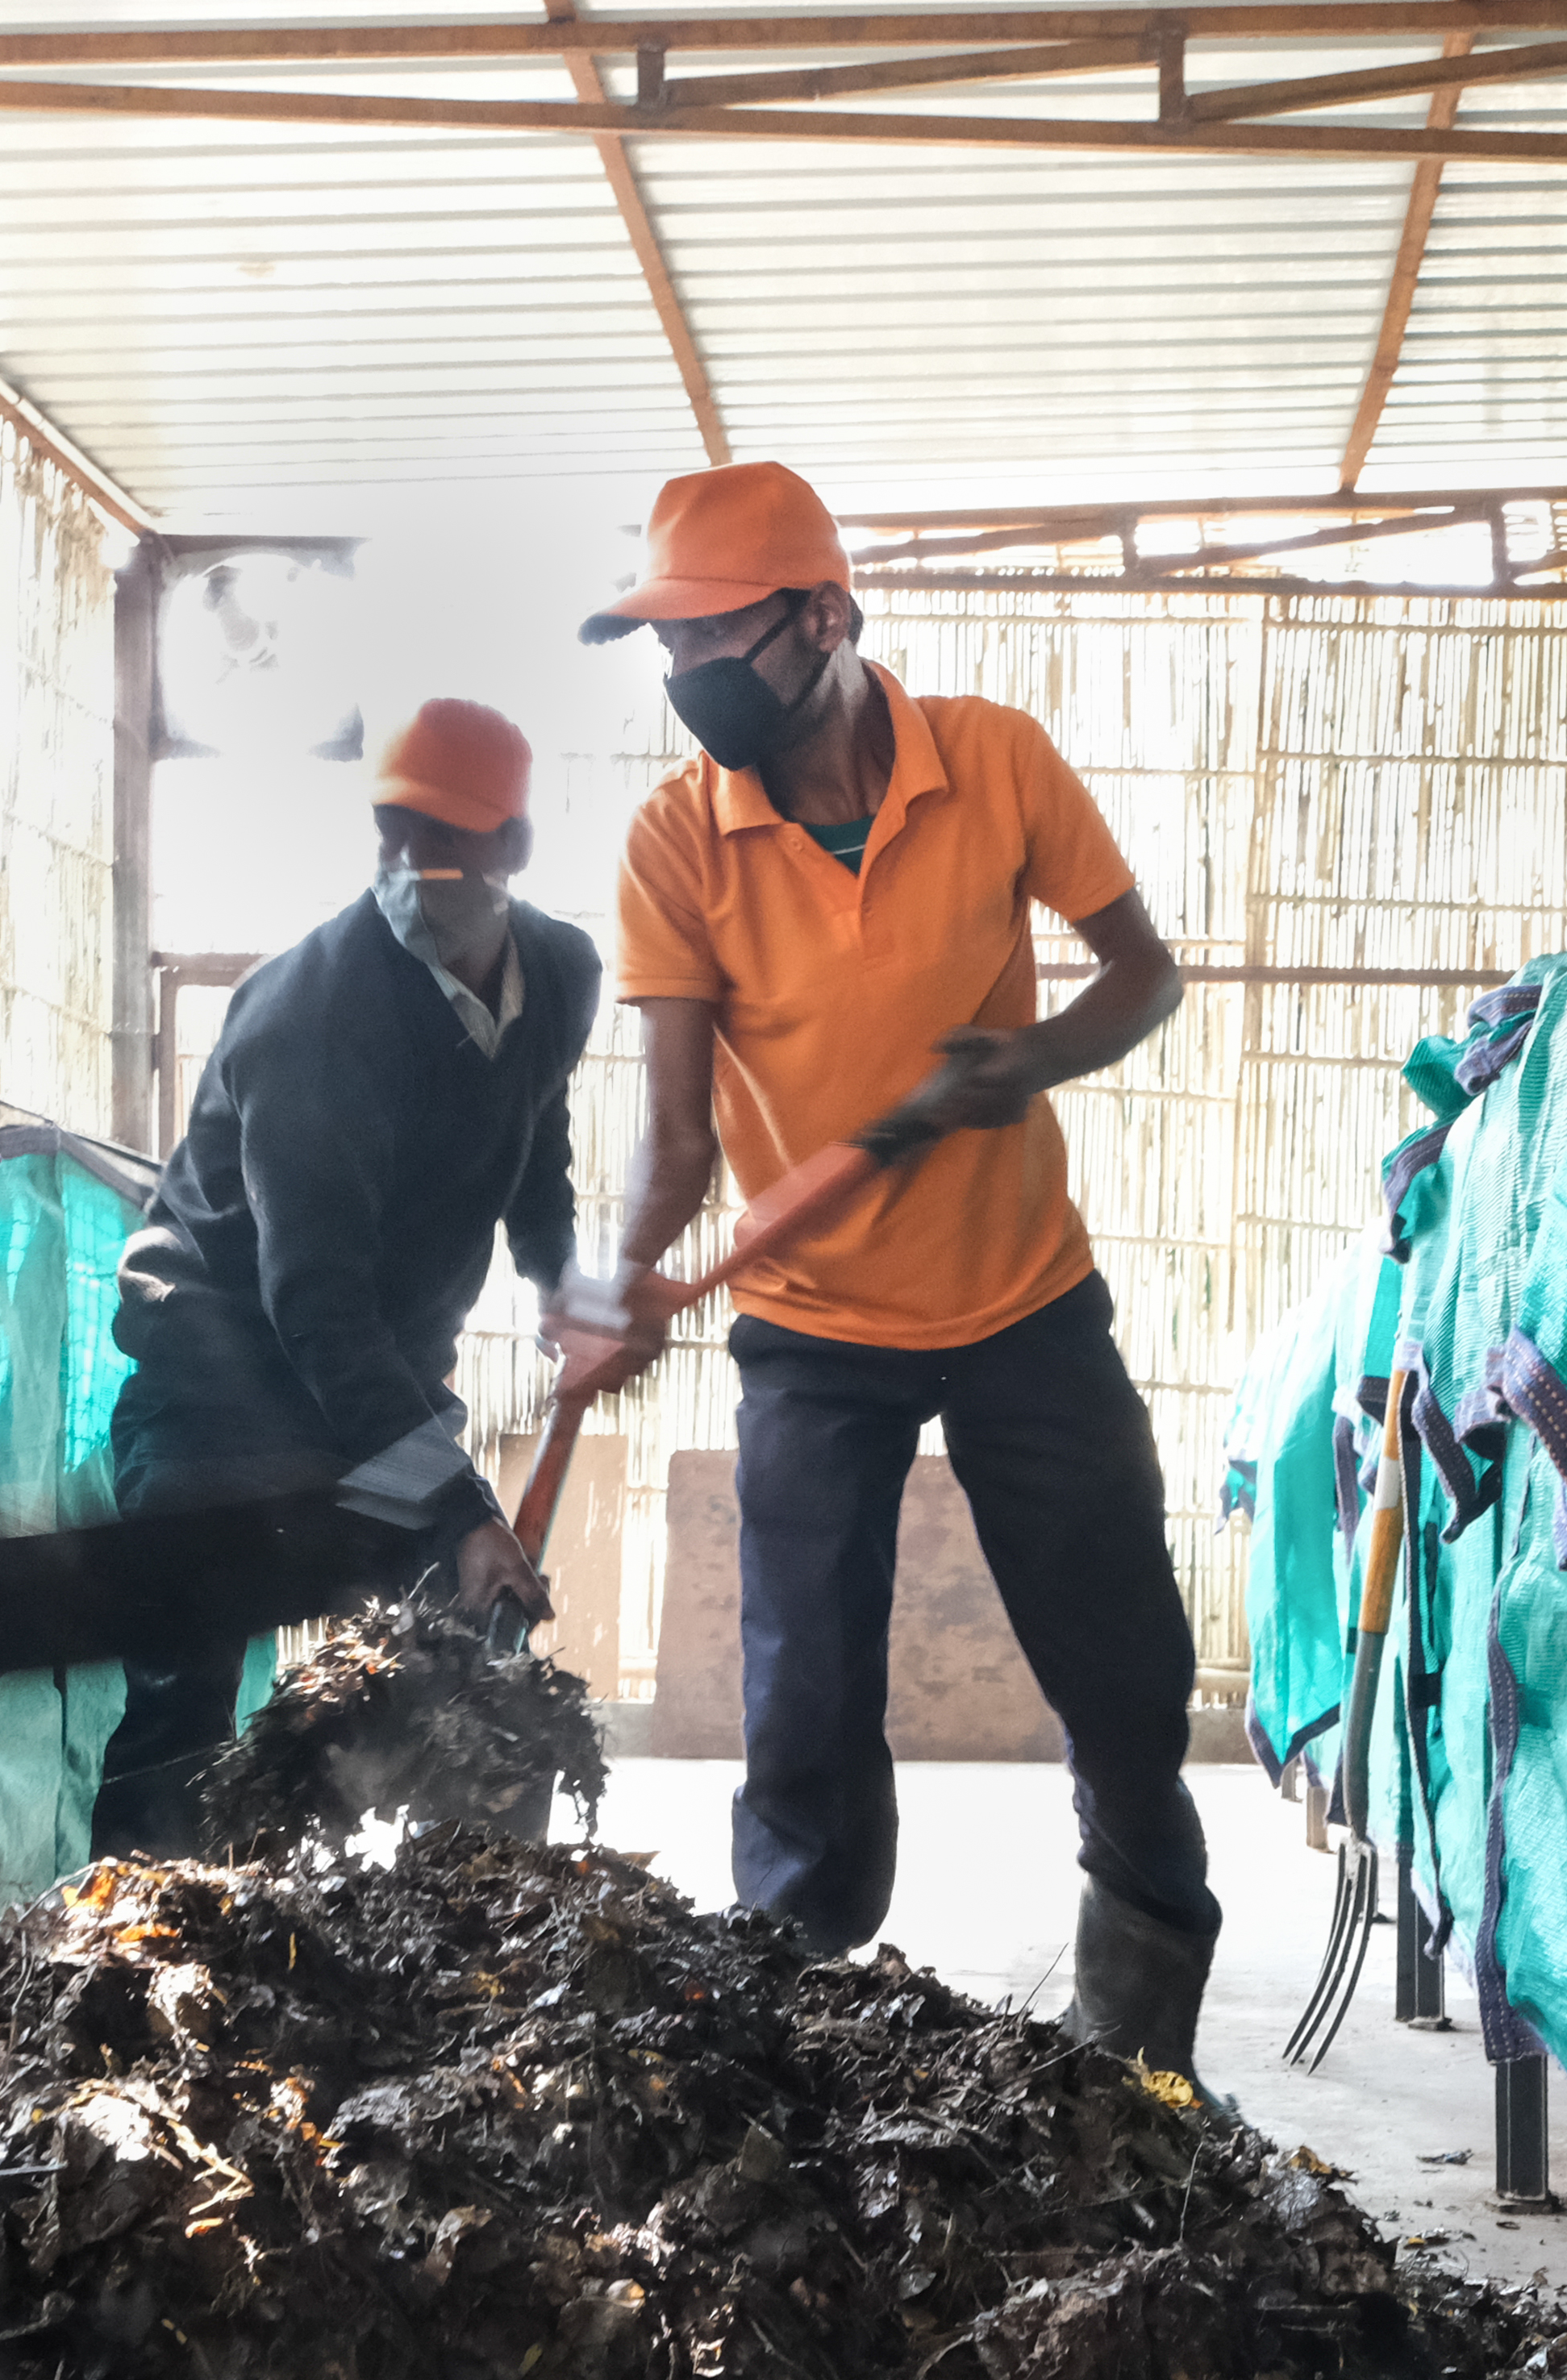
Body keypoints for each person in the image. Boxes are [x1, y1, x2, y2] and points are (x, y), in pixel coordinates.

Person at [573, 460, 1216, 2074]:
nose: (687, 680)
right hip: (809, 1331)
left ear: (826, 619)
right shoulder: (677, 842)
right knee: (797, 1718)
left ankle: (1134, 2043)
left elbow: (1141, 975)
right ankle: (786, 2043)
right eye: (666, 651)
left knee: (1126, 1682)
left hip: (1022, 1306)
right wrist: (622, 1279)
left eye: (715, 640)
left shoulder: (988, 759)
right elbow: (672, 1136)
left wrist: (1025, 1061)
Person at [90, 697, 592, 1856]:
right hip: (219, 1395)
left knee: (482, 1660)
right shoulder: (312, 1013)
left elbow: (537, 1145)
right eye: (395, 834)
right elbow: (314, 1302)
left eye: (451, 841)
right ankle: (131, 1956)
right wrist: (461, 1503)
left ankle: (472, 1952)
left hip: (380, 1387)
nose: (417, 865)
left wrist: (561, 1278)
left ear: (513, 851)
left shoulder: (558, 973)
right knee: (185, 1720)